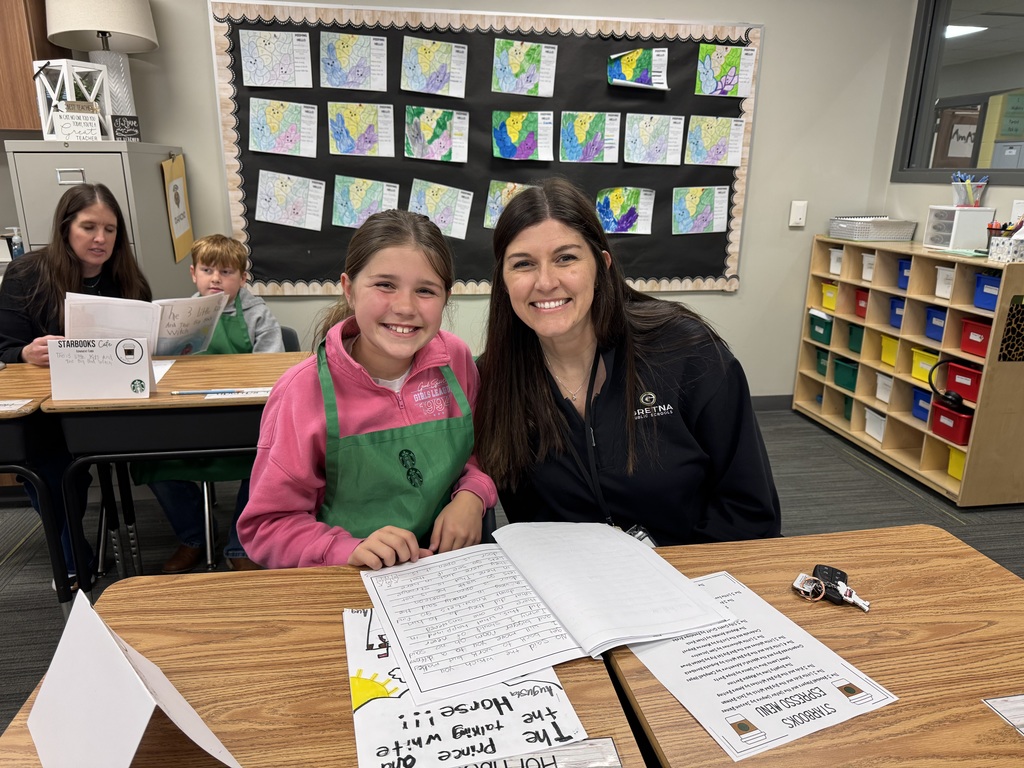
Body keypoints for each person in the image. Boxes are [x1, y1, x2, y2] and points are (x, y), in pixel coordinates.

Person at [474, 177, 781, 546]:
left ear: (601, 266)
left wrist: (678, 580)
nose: (545, 281)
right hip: (574, 586)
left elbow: (750, 509)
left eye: (566, 258)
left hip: (691, 576)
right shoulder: (494, 379)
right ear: (504, 282)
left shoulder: (686, 350)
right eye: (523, 264)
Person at [237, 209, 497, 569]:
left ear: (445, 299)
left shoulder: (455, 359)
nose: (405, 307)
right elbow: (267, 526)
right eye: (385, 285)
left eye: (426, 290)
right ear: (349, 289)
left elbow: (482, 451)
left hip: (447, 572)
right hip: (350, 581)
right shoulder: (302, 392)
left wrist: (472, 494)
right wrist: (344, 549)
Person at [0, 183, 153, 586]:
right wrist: (24, 354)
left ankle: (76, 554)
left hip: (115, 404)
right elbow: (6, 346)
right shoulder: (27, 274)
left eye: (110, 229)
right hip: (49, 407)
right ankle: (72, 556)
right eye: (89, 227)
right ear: (66, 228)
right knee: (50, 470)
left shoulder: (127, 279)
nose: (100, 239)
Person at [132, 234, 284, 573]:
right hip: (187, 417)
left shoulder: (257, 315)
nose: (216, 278)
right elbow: (156, 370)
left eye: (227, 272)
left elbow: (273, 369)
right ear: (193, 274)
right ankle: (193, 537)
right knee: (151, 462)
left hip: (241, 419)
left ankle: (240, 543)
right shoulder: (174, 316)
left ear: (243, 279)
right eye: (207, 270)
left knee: (269, 458)